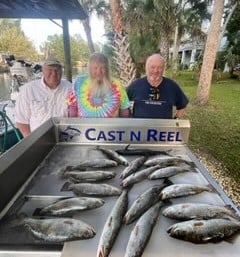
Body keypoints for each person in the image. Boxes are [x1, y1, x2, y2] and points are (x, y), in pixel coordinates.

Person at [15, 58, 72, 137]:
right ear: (43, 70)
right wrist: (31, 141)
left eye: (57, 70)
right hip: (39, 139)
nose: (54, 73)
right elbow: (21, 121)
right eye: (50, 69)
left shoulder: (69, 87)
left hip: (66, 137)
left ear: (62, 71)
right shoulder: (28, 89)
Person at [68, 53, 130, 118]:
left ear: (107, 69)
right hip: (83, 127)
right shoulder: (79, 82)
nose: (99, 72)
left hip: (111, 127)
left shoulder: (117, 84)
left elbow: (124, 109)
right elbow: (72, 106)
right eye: (95, 68)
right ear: (90, 69)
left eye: (102, 68)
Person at [127, 54, 189, 119]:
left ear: (163, 69)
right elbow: (123, 103)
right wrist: (129, 121)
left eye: (159, 67)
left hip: (163, 128)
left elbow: (182, 105)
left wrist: (175, 121)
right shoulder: (136, 85)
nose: (156, 71)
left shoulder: (172, 86)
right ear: (146, 68)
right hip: (139, 128)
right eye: (152, 67)